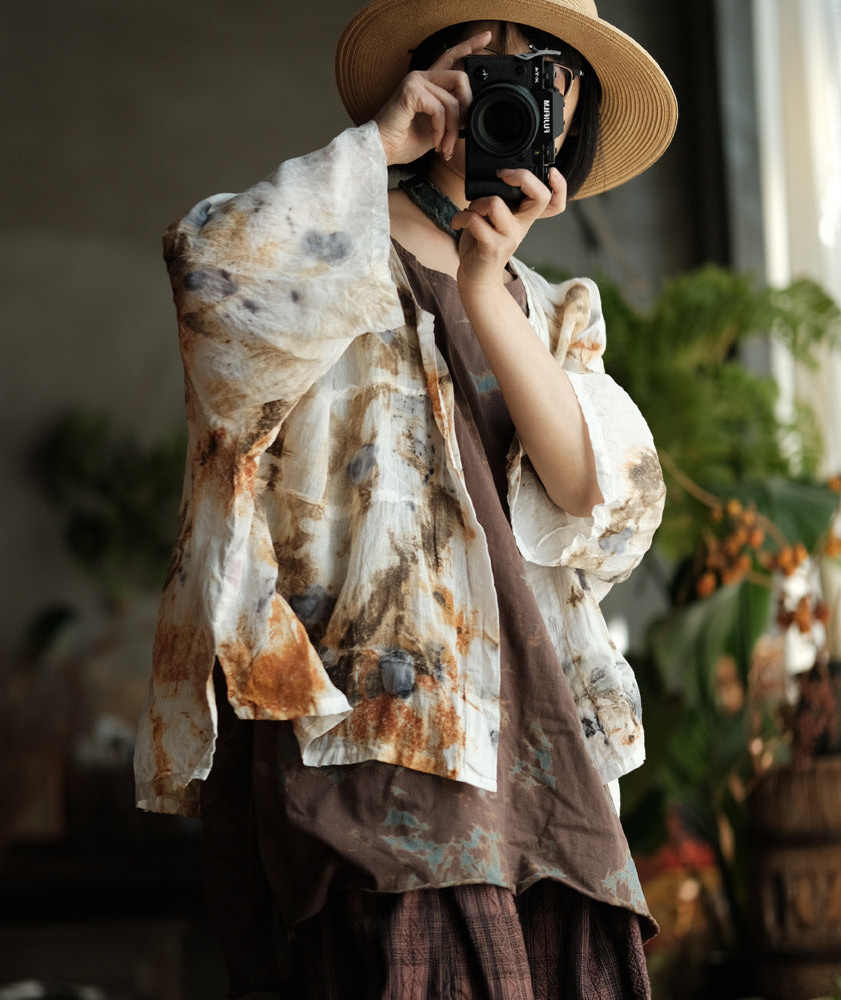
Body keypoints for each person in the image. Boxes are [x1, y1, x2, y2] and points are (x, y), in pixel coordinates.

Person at [135, 0, 678, 996]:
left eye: (547, 72)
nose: (512, 88)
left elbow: (603, 502)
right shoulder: (323, 243)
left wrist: (485, 285)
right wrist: (376, 147)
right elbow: (209, 284)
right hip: (371, 739)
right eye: (486, 58)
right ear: (433, 69)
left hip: (541, 757)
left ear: (573, 114)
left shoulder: (552, 310)